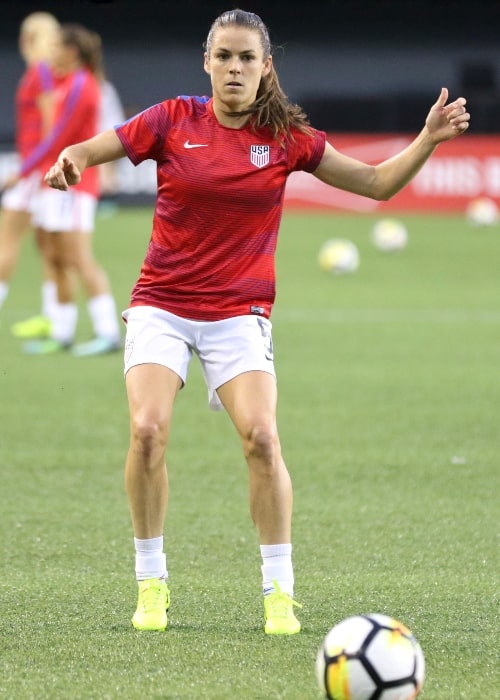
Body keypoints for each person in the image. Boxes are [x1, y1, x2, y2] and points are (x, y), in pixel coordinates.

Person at [43, 9, 470, 633]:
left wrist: (428, 138)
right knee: (147, 431)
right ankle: (152, 581)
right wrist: (73, 161)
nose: (234, 67)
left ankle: (277, 591)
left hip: (239, 314)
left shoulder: (287, 138)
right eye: (224, 56)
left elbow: (377, 184)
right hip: (162, 304)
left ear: (265, 67)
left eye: (247, 57)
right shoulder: (171, 119)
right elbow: (91, 147)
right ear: (206, 63)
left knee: (263, 440)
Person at [21, 23, 121, 356]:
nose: (51, 52)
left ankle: (108, 331)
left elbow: (60, 135)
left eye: (58, 46)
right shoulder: (66, 82)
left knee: (79, 257)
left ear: (72, 52)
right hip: (55, 183)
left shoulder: (83, 85)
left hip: (74, 185)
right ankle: (62, 331)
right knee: (54, 256)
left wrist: (22, 171)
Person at [0, 12, 60, 337]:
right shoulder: (42, 74)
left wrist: (23, 171)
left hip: (35, 173)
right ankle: (52, 319)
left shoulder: (41, 74)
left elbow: (51, 133)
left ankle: (53, 318)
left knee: (7, 241)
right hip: (38, 170)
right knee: (46, 247)